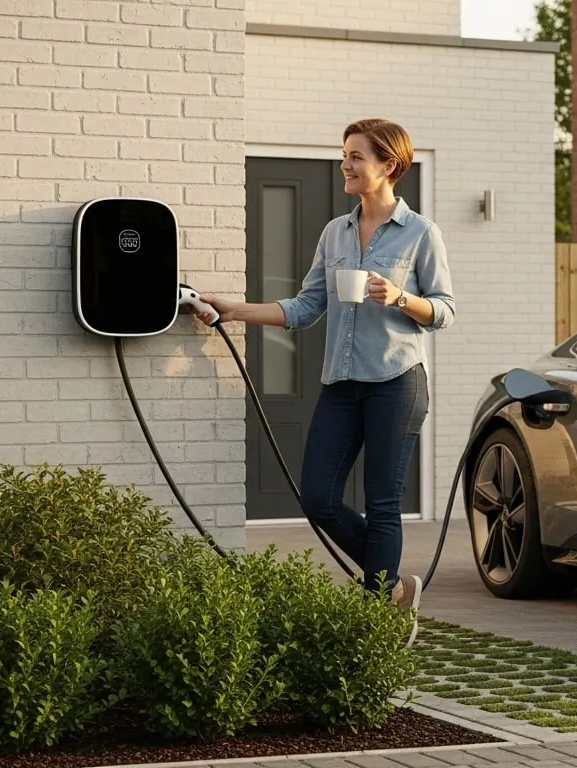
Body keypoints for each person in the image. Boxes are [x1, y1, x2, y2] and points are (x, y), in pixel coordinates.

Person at [195, 118, 455, 645]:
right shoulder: (335, 232)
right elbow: (305, 306)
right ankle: (395, 588)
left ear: (389, 165)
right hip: (341, 383)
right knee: (318, 497)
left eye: (356, 156)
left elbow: (446, 311)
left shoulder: (421, 234)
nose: (346, 164)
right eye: (345, 155)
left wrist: (400, 298)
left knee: (383, 501)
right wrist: (230, 309)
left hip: (396, 381)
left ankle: (378, 618)